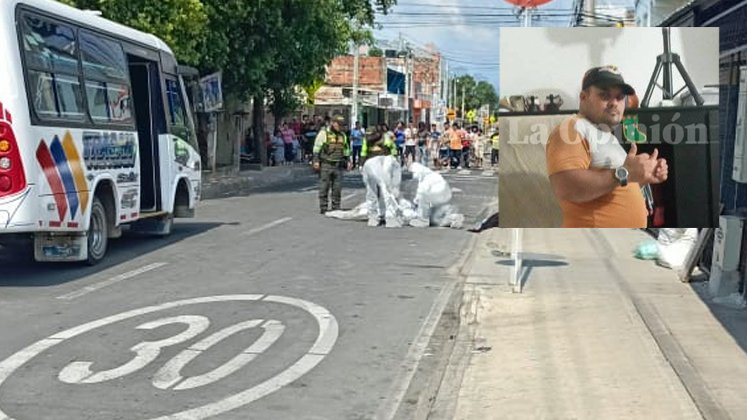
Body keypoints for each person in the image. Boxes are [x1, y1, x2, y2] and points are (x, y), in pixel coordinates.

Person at [546, 65, 669, 228]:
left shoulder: (604, 135)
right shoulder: (572, 129)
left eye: (619, 97)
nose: (614, 103)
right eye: (604, 95)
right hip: (594, 243)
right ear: (584, 97)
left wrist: (642, 175)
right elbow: (566, 187)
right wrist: (625, 172)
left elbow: (612, 186)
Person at [313, 114, 352, 213]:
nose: (341, 127)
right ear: (333, 123)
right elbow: (317, 148)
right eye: (339, 125)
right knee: (324, 187)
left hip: (338, 164)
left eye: (342, 125)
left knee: (337, 188)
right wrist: (316, 161)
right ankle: (324, 207)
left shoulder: (342, 135)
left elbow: (346, 149)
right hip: (326, 164)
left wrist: (348, 161)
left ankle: (336, 207)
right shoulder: (324, 133)